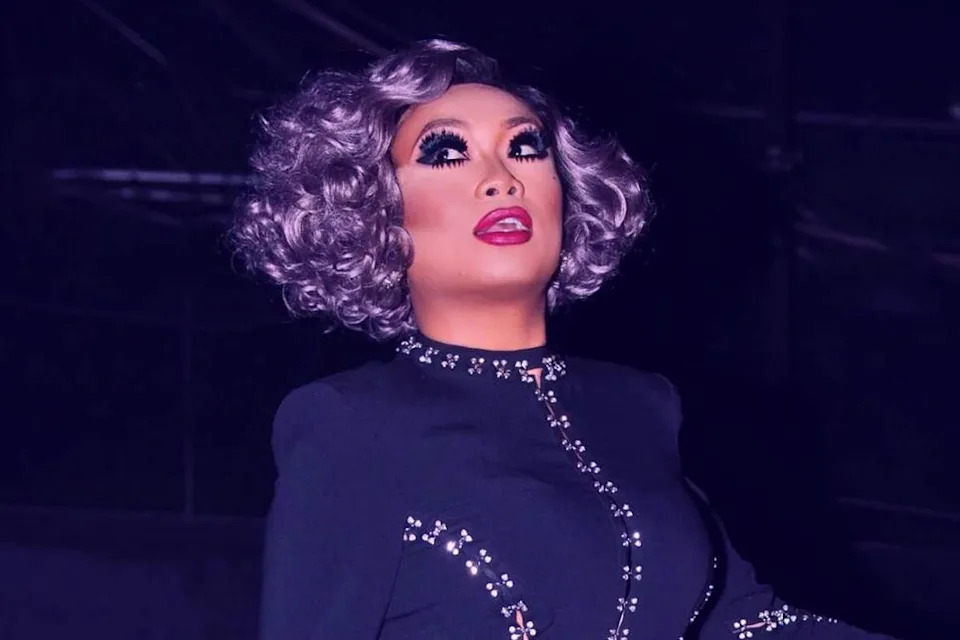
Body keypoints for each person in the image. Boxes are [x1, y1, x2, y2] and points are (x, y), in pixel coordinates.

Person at [230, 39, 897, 640]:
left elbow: (741, 621)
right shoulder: (350, 424)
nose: (502, 177)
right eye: (446, 153)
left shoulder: (642, 405)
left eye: (526, 147)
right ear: (375, 213)